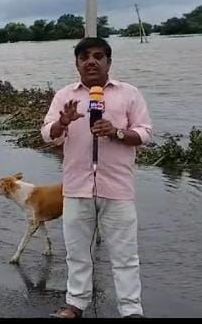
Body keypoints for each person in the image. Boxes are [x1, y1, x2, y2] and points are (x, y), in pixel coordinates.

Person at [41, 37, 153, 318]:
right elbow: (46, 134)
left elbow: (145, 133)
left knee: (125, 256)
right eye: (85, 57)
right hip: (76, 187)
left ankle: (131, 310)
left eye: (98, 56)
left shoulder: (129, 94)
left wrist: (116, 132)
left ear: (108, 63)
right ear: (77, 64)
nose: (91, 61)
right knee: (77, 253)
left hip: (117, 188)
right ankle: (75, 305)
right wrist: (63, 123)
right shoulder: (65, 96)